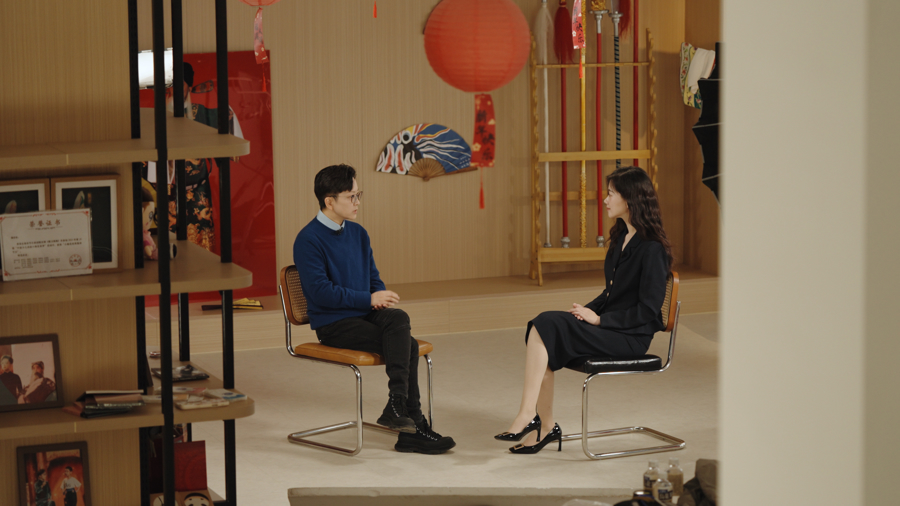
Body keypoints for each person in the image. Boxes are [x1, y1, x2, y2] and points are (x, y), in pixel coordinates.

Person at [497, 166, 673, 454]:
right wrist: (585, 311)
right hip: (611, 328)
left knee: (546, 325)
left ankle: (533, 418)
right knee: (544, 327)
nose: (605, 199)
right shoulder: (621, 237)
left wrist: (600, 319)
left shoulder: (652, 248)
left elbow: (648, 310)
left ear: (630, 198)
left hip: (630, 337)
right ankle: (542, 423)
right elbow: (611, 293)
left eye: (611, 194)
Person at [293, 164, 456, 455]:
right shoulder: (308, 239)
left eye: (359, 195)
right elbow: (321, 293)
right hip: (334, 324)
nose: (357, 202)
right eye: (351, 197)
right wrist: (368, 299)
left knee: (398, 317)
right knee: (407, 345)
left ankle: (397, 406)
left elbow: (372, 278)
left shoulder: (358, 233)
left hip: (363, 313)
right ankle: (413, 425)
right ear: (329, 201)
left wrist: (378, 298)